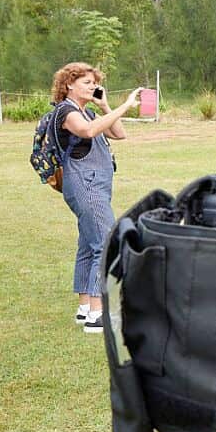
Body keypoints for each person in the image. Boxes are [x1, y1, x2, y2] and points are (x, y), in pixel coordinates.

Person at [50, 62, 142, 333]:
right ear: (69, 85)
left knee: (88, 245)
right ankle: (97, 314)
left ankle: (84, 307)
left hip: (95, 185)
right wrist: (127, 105)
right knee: (105, 243)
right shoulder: (67, 112)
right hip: (85, 185)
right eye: (86, 82)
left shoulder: (88, 112)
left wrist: (105, 106)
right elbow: (88, 132)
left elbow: (119, 133)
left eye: (94, 82)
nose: (93, 86)